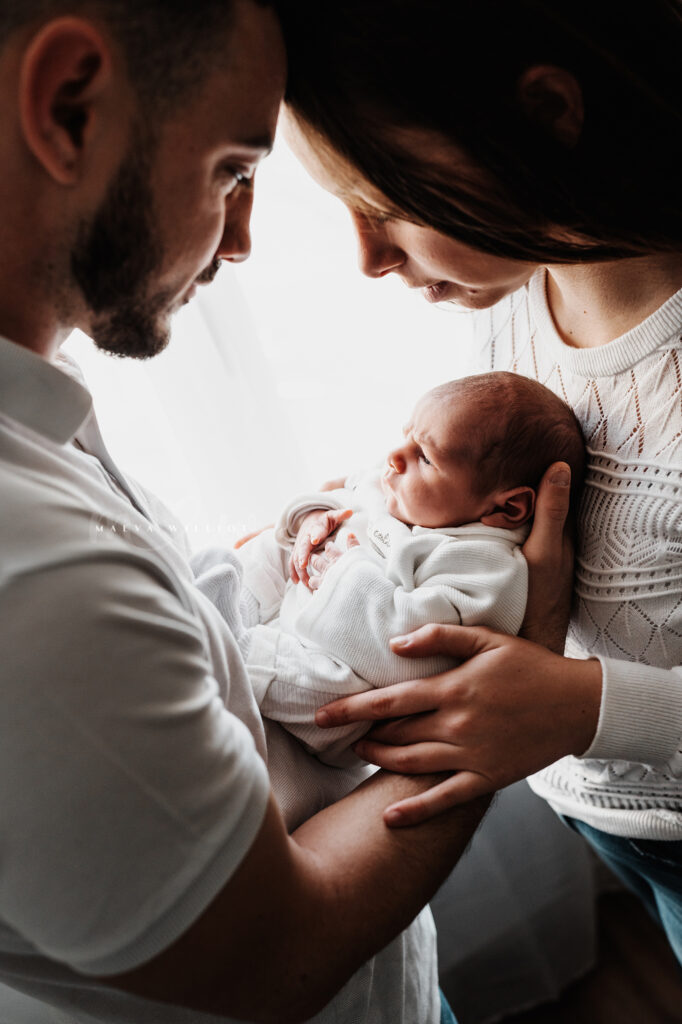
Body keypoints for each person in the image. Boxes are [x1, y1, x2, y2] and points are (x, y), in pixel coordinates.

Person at [0, 3, 507, 1023]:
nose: (239, 240)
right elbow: (283, 957)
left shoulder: (37, 430)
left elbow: (172, 635)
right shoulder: (34, 581)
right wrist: (506, 673)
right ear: (69, 106)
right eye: (233, 170)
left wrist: (279, 552)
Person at [274, 0, 682, 964]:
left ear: (545, 113)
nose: (369, 258)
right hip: (591, 804)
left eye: (391, 203)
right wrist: (361, 520)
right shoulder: (520, 291)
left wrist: (584, 706)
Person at [225, 372, 584, 767]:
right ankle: (222, 598)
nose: (396, 455)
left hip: (341, 679)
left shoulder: (487, 570)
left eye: (425, 457)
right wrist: (314, 516)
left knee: (331, 692)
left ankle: (232, 652)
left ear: (507, 508)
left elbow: (410, 650)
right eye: (407, 435)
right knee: (260, 553)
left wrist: (343, 573)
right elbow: (348, 490)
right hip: (298, 602)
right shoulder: (403, 486)